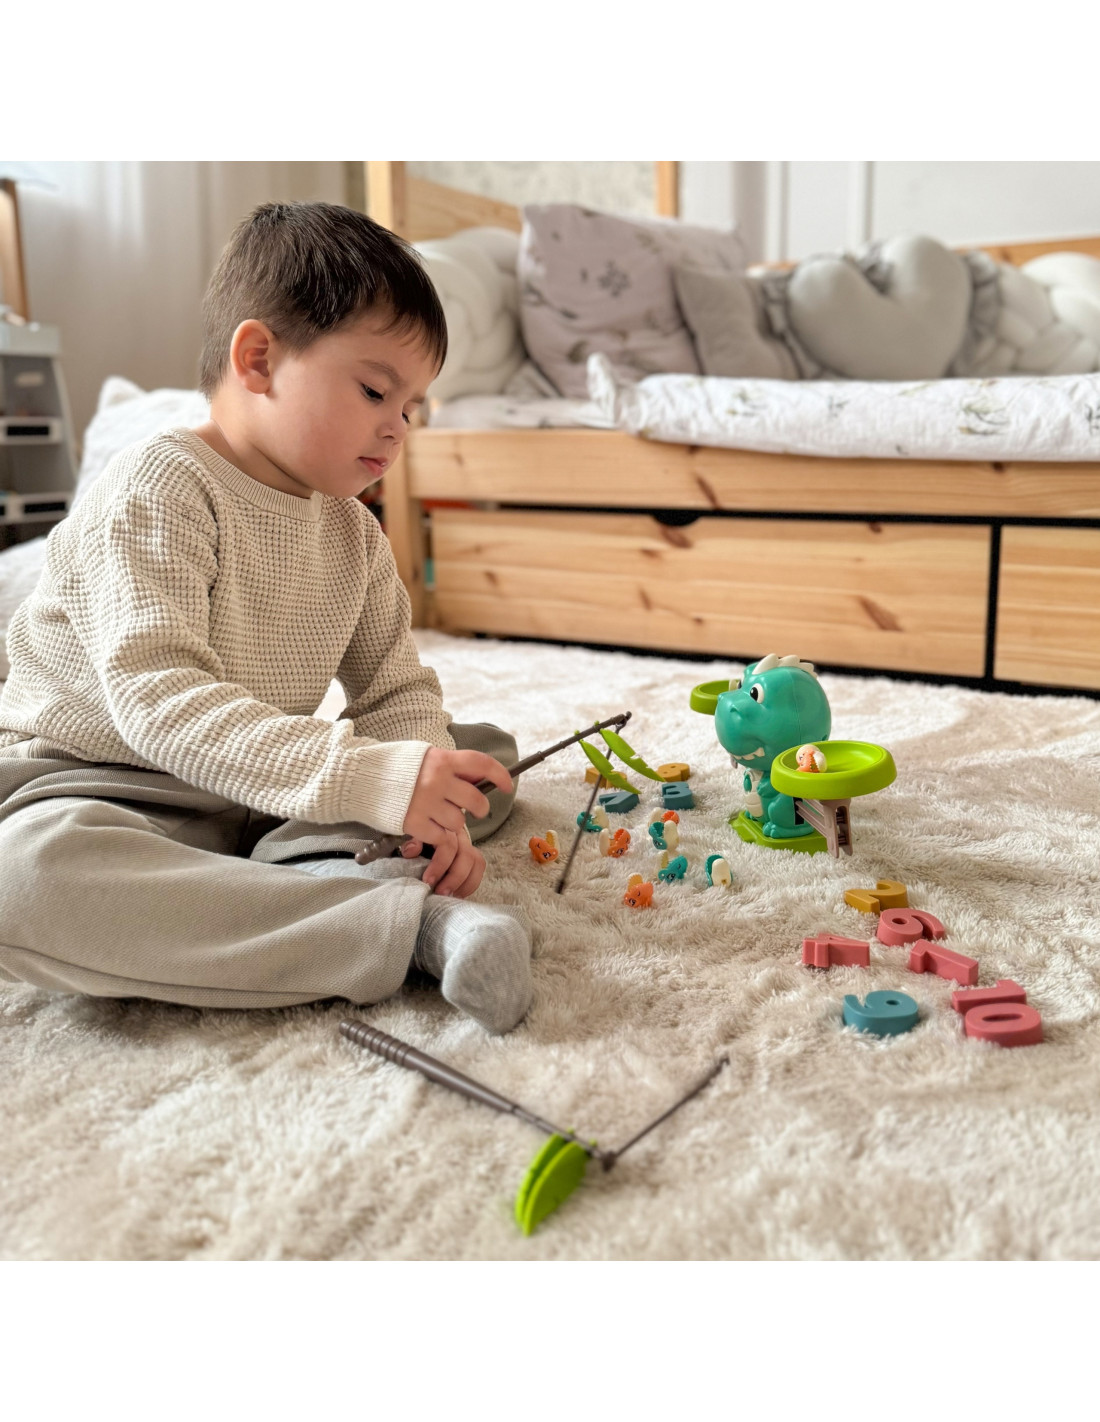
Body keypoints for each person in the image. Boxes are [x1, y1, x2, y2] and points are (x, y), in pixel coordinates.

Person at [0, 201, 533, 1033]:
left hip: (256, 789)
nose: (397, 428)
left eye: (413, 407)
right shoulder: (159, 488)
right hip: (101, 787)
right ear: (259, 359)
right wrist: (383, 783)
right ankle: (401, 928)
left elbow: (396, 690)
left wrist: (425, 794)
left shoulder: (353, 532)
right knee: (24, 881)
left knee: (477, 757)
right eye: (375, 391)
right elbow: (158, 704)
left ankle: (298, 874)